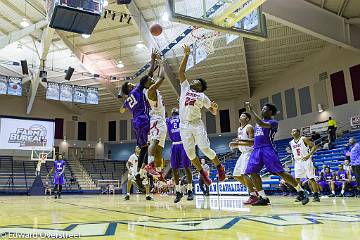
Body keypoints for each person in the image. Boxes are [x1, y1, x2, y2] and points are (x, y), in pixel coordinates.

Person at [177, 44, 225, 187]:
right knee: (191, 155)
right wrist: (186, 55)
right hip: (184, 125)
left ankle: (219, 167)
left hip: (196, 123)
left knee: (204, 149)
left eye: (195, 82)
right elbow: (181, 72)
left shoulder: (202, 96)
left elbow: (213, 112)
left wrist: (215, 108)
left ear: (199, 86)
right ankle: (203, 175)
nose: (192, 82)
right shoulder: (185, 87)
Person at [244, 102, 309, 206]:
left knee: (280, 172)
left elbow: (261, 123)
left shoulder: (273, 122)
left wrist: (251, 110)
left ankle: (301, 191)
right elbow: (255, 140)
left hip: (267, 148)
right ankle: (263, 197)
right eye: (262, 109)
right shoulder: (257, 125)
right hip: (256, 150)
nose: (262, 110)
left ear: (270, 112)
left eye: (264, 109)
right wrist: (240, 141)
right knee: (252, 172)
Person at [119, 49, 158, 191]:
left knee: (143, 148)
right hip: (143, 119)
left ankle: (138, 174)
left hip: (135, 122)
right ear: (129, 87)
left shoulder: (128, 98)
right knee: (153, 143)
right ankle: (149, 166)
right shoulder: (136, 90)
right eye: (130, 84)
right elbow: (148, 76)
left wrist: (127, 103)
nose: (132, 84)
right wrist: (153, 60)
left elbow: (121, 110)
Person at [143, 56, 167, 177]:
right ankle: (149, 164)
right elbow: (161, 77)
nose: (152, 79)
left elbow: (150, 74)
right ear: (147, 84)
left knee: (159, 150)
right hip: (157, 119)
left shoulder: (148, 88)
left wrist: (153, 61)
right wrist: (162, 63)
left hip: (160, 120)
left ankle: (158, 172)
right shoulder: (150, 89)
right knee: (154, 141)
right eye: (150, 80)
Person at [228, 113, 259, 204]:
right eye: (240, 115)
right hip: (242, 153)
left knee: (244, 174)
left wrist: (238, 143)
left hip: (249, 152)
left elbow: (252, 142)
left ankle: (253, 195)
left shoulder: (249, 127)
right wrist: (236, 143)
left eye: (243, 116)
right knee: (236, 175)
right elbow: (241, 140)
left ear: (248, 119)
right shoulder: (239, 129)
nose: (240, 117)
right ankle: (254, 190)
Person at [166, 108, 194, 203]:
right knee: (174, 169)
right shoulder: (168, 120)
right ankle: (178, 192)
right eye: (173, 109)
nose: (174, 108)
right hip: (174, 145)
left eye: (176, 108)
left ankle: (190, 190)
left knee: (187, 167)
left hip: (183, 144)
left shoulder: (183, 117)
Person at [289, 129, 320, 202]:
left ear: (298, 132)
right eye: (292, 131)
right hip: (297, 162)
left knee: (311, 178)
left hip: (306, 161)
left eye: (294, 131)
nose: (293, 132)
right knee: (297, 179)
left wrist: (308, 155)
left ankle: (316, 196)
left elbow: (314, 146)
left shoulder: (303, 139)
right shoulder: (291, 142)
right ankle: (300, 195)